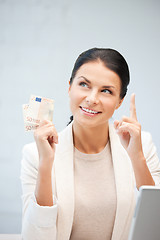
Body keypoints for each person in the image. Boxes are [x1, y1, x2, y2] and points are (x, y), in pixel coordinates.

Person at [20, 48, 160, 240]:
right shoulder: (34, 155)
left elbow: (154, 227)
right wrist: (46, 165)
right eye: (84, 84)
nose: (92, 99)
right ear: (70, 87)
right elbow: (34, 237)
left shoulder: (142, 145)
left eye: (106, 91)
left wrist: (137, 157)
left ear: (119, 101)